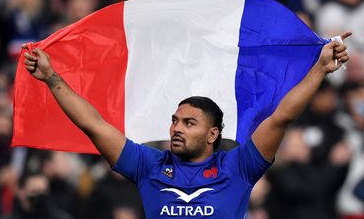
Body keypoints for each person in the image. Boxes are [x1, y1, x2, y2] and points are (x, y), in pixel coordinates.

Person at [22, 32, 352, 218]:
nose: (177, 128)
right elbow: (93, 125)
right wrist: (51, 77)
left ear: (212, 135)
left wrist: (320, 70)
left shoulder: (239, 167)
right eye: (175, 121)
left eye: (189, 123)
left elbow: (281, 117)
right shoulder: (148, 165)